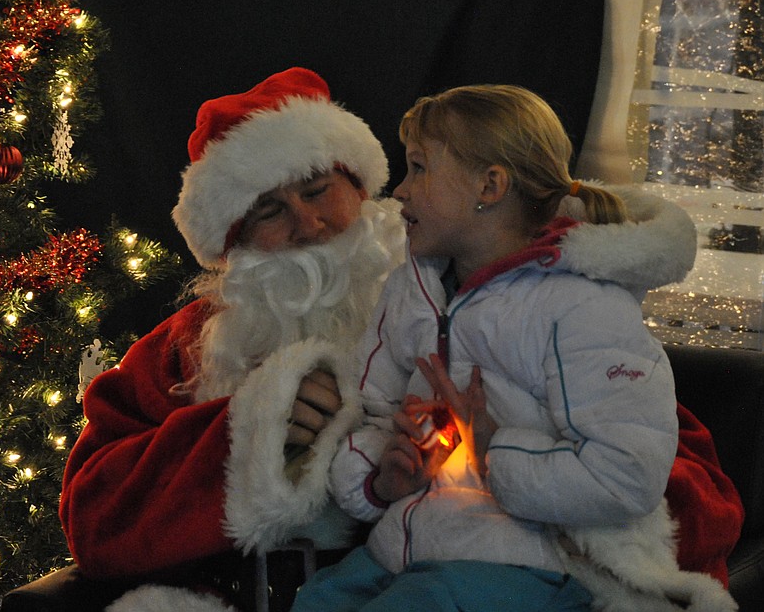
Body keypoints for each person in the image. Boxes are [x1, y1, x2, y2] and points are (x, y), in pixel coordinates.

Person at [292, 84, 739, 612]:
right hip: (404, 549)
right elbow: (375, 414)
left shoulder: (581, 305)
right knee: (317, 600)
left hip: (533, 566)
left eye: (419, 167)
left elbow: (625, 479)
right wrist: (383, 474)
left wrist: (490, 447)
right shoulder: (409, 293)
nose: (400, 192)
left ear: (490, 184)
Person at [59, 67, 406, 610]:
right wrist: (246, 433)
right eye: (270, 211)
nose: (309, 225)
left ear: (361, 189)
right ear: (235, 244)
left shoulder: (445, 298)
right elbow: (96, 519)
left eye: (318, 192)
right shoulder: (185, 348)